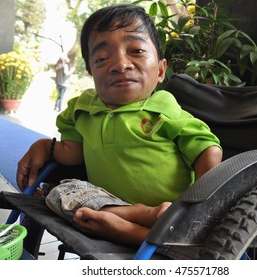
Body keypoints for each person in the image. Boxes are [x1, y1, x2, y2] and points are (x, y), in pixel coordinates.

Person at [16, 4, 222, 246]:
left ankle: (133, 228)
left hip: (169, 213)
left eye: (135, 51)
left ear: (160, 70)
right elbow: (73, 154)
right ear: (92, 73)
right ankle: (124, 221)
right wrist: (45, 147)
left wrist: (196, 205)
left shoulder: (163, 108)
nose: (120, 64)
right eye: (102, 58)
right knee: (59, 192)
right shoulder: (82, 109)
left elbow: (208, 148)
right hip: (104, 202)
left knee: (75, 207)